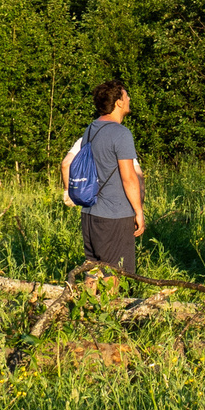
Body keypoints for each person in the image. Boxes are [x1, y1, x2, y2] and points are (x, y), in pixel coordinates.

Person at [72, 82, 146, 278]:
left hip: (89, 213)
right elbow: (129, 178)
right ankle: (110, 300)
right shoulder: (121, 133)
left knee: (93, 270)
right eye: (126, 96)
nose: (129, 99)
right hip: (114, 216)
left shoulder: (90, 129)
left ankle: (87, 299)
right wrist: (139, 211)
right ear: (118, 102)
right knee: (114, 274)